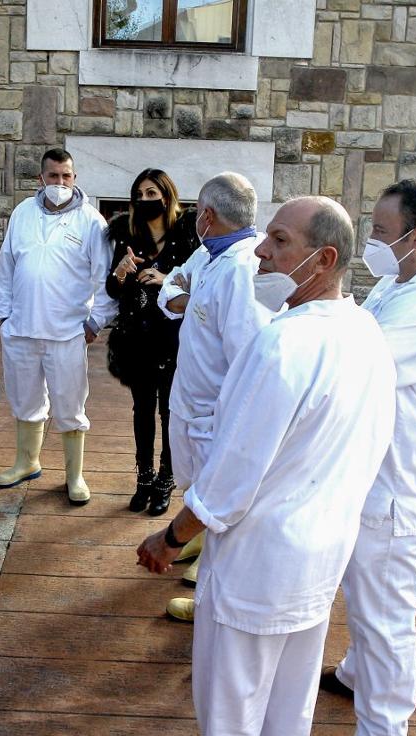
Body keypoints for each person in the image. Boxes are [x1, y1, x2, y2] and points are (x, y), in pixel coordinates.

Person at [137, 196, 396, 736]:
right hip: (319, 557)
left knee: (229, 723)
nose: (260, 251)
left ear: (324, 258)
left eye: (280, 241)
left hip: (259, 566)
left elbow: (231, 479)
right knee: (288, 712)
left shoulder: (284, 343)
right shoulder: (365, 332)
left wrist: (171, 537)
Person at [320, 180, 416, 736]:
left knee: (385, 615)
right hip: (374, 476)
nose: (372, 242)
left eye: (381, 232)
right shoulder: (396, 284)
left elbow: (352, 358)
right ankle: (357, 673)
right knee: (365, 593)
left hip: (398, 485)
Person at [156, 172, 273, 621]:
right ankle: (200, 544)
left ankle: (213, 603)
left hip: (215, 416)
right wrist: (180, 295)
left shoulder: (245, 268)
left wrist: (185, 294)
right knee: (198, 491)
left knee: (224, 509)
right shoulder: (209, 253)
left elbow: (247, 356)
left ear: (206, 215)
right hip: (192, 406)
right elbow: (171, 286)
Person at [0, 148, 117, 504]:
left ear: (75, 179)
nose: (59, 183)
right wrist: (6, 316)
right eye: (53, 176)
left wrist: (96, 320)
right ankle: (26, 462)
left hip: (67, 332)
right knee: (24, 400)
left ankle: (74, 476)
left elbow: (104, 277)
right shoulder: (22, 213)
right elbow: (6, 267)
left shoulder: (92, 221)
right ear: (40, 179)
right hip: (22, 329)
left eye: (66, 176)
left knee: (69, 406)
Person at [105, 168, 199, 515]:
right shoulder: (129, 234)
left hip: (175, 337)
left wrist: (166, 279)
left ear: (166, 194)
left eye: (152, 193)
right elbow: (113, 289)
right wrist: (121, 271)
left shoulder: (187, 235)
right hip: (138, 336)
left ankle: (165, 478)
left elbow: (201, 282)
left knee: (170, 411)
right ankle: (143, 477)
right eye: (140, 195)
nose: (146, 200)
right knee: (142, 409)